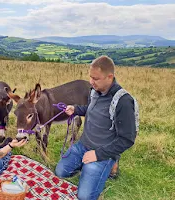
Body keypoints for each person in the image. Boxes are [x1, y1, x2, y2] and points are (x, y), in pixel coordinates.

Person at [55, 56, 138, 200]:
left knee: (85, 196)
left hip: (102, 152)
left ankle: (111, 163)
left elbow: (127, 139)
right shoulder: (94, 90)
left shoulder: (123, 101)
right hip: (83, 145)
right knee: (61, 171)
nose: (91, 82)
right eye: (90, 77)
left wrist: (97, 155)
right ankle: (88, 165)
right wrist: (75, 109)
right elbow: (92, 109)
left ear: (109, 77)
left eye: (96, 78)